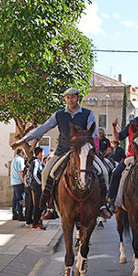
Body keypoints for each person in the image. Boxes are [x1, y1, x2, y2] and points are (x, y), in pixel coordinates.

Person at [10, 87, 111, 219]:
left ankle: (103, 204)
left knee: (103, 170)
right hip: (63, 151)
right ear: (65, 99)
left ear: (77, 98)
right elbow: (42, 128)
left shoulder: (88, 114)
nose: (70, 100)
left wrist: (87, 140)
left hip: (83, 151)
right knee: (46, 173)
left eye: (72, 97)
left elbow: (93, 133)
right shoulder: (59, 115)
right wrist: (23, 140)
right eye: (67, 97)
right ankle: (50, 207)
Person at [26, 147, 45, 230]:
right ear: (39, 153)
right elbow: (34, 174)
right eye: (43, 153)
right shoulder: (36, 162)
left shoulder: (35, 161)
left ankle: (34, 221)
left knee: (35, 204)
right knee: (38, 204)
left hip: (34, 185)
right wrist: (40, 183)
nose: (43, 155)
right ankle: (35, 223)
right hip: (36, 186)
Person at [10, 148, 26, 221]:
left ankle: (15, 215)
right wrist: (24, 181)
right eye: (24, 153)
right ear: (21, 152)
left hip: (14, 182)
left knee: (15, 199)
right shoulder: (20, 160)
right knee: (20, 199)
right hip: (19, 182)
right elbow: (21, 172)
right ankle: (20, 215)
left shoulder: (14, 159)